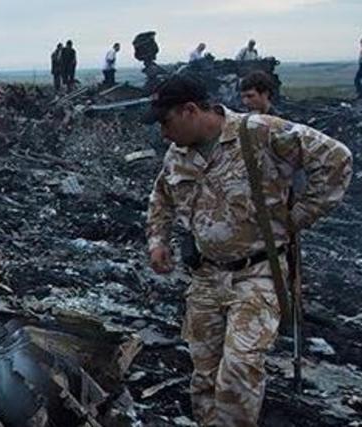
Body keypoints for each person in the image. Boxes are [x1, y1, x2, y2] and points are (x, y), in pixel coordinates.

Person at [145, 76, 352, 427]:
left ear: (191, 110)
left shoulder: (258, 132)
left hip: (257, 273)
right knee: (205, 376)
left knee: (239, 370)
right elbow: (161, 197)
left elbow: (336, 159)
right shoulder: (178, 153)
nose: (163, 133)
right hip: (206, 278)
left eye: (166, 122)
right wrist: (157, 241)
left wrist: (298, 216)